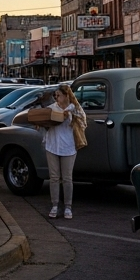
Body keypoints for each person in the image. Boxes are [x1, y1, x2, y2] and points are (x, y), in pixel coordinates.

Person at [35, 83, 85, 220]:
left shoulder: (75, 109)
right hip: (52, 145)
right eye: (55, 95)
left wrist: (71, 116)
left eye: (59, 95)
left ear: (66, 95)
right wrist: (40, 123)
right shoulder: (52, 108)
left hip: (68, 146)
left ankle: (68, 207)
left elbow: (83, 123)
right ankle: (55, 205)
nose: (56, 98)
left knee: (67, 178)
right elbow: (44, 120)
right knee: (54, 177)